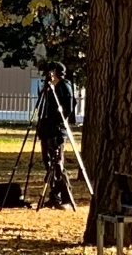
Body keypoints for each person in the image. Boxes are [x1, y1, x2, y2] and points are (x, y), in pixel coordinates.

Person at [34, 61, 85, 209]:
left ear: (55, 72)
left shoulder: (64, 86)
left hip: (56, 130)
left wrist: (57, 119)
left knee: (57, 164)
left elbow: (68, 107)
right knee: (48, 163)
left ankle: (65, 197)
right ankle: (54, 195)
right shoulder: (50, 88)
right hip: (46, 130)